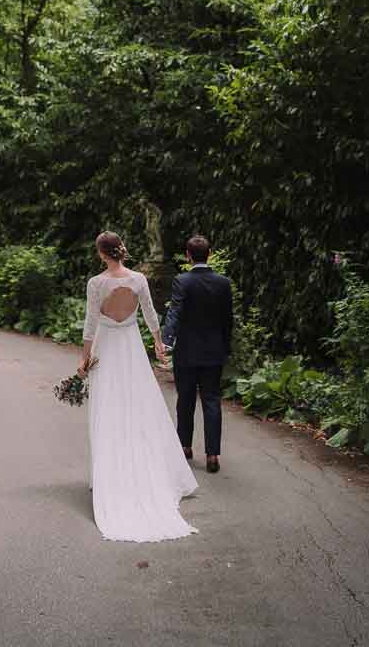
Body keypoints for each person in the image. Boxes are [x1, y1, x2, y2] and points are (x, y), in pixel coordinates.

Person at [80, 230, 198, 542]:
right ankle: (143, 470)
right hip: (131, 347)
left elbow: (90, 324)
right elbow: (150, 314)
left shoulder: (97, 283)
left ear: (103, 254)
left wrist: (84, 358)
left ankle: (107, 477)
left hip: (106, 348)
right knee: (139, 407)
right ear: (120, 250)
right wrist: (158, 344)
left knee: (107, 409)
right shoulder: (138, 279)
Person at [162, 234, 233, 474]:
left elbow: (175, 312)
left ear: (188, 255)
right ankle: (212, 455)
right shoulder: (223, 283)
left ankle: (185, 447)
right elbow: (227, 319)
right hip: (214, 351)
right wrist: (226, 347)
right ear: (210, 253)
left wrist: (166, 340)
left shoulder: (182, 281)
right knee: (212, 400)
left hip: (187, 352)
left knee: (186, 399)